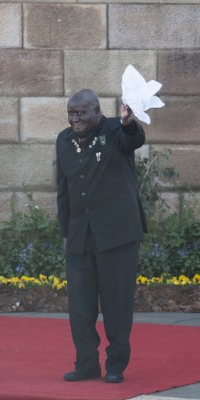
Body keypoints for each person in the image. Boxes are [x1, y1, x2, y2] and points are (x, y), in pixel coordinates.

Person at [56, 89, 147, 383]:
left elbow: (134, 140)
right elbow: (63, 190)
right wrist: (66, 233)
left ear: (96, 110)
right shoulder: (64, 140)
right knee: (79, 306)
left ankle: (116, 365)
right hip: (80, 234)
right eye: (71, 113)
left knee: (116, 303)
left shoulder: (115, 130)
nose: (75, 118)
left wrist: (128, 123)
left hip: (117, 234)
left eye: (81, 113)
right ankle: (86, 364)